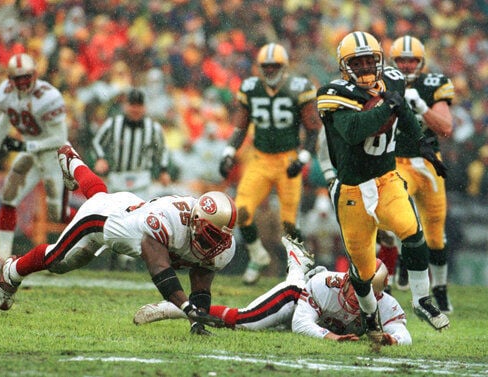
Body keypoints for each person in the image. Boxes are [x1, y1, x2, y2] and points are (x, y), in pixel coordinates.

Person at [0, 144, 237, 335]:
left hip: (127, 206)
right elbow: (159, 269)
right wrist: (187, 309)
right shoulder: (167, 221)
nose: (213, 243)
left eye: (218, 237)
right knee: (59, 261)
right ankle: (13, 270)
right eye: (209, 234)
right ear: (195, 221)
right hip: (102, 222)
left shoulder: (221, 244)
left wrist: (198, 323)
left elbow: (201, 280)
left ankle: (73, 162)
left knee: (100, 195)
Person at [316, 31, 449, 338]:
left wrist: (420, 142)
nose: (364, 68)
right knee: (363, 271)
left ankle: (421, 300)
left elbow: (403, 108)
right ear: (343, 67)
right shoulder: (332, 93)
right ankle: (369, 317)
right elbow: (353, 130)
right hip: (352, 190)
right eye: (357, 63)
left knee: (413, 234)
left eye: (369, 61)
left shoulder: (392, 81)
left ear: (379, 61)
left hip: (387, 179)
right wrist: (386, 107)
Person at [134, 237, 412, 346]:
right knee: (247, 321)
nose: (357, 298)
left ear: (378, 295)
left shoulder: (385, 303)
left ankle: (297, 263)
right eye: (356, 289)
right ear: (348, 280)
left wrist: (392, 339)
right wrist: (333, 337)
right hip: (297, 299)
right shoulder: (326, 287)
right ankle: (173, 309)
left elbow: (404, 334)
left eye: (367, 295)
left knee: (275, 330)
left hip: (311, 306)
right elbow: (302, 323)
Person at [219, 42, 321, 285]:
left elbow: (313, 129)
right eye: (267, 66)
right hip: (260, 159)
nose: (271, 70)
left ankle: (297, 271)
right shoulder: (250, 88)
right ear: (259, 67)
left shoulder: (299, 88)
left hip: (287, 159)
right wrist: (228, 152)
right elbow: (241, 127)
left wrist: (303, 158)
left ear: (284, 67)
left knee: (289, 224)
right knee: (241, 212)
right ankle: (257, 255)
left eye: (275, 66)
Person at [0, 53, 75, 273]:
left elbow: (60, 138)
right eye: (17, 77)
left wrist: (26, 147)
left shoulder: (49, 97)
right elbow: (6, 119)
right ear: (10, 78)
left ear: (35, 75)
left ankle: (67, 255)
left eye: (26, 77)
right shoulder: (5, 93)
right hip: (31, 152)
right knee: (9, 197)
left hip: (54, 154)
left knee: (57, 212)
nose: (22, 82)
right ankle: (2, 256)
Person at [385, 35, 455, 313]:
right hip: (396, 162)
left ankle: (439, 288)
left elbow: (445, 128)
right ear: (393, 61)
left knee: (436, 233)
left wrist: (423, 108)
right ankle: (396, 267)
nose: (405, 65)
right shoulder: (383, 84)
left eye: (411, 60)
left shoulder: (432, 84)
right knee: (393, 218)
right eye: (401, 60)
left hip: (427, 165)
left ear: (421, 62)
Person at [92, 88, 172, 270]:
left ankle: (128, 259)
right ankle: (115, 254)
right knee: (115, 217)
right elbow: (97, 142)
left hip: (141, 177)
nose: (135, 109)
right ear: (125, 106)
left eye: (139, 105)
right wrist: (100, 158)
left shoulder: (153, 128)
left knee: (139, 218)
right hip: (117, 177)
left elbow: (162, 150)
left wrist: (164, 170)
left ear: (144, 107)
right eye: (132, 105)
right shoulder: (114, 123)